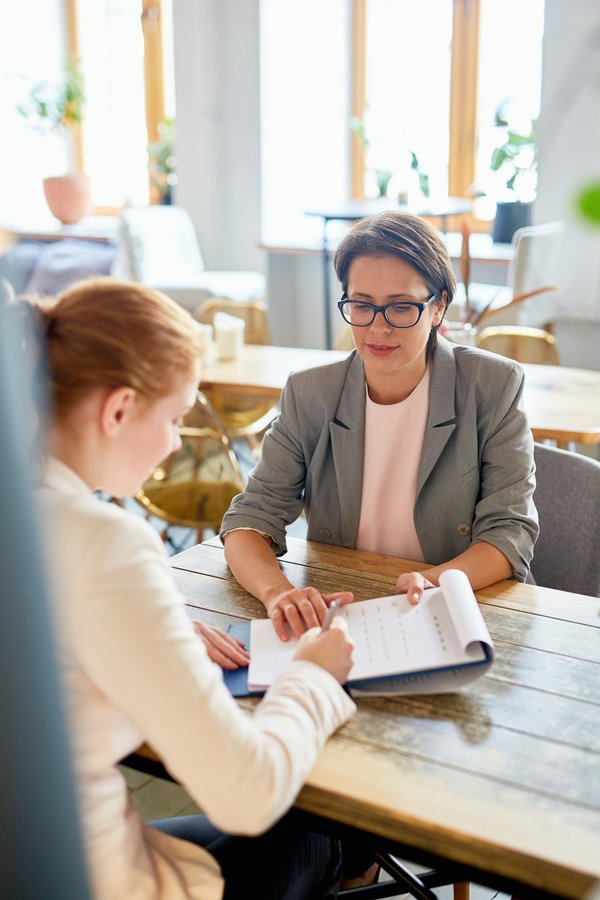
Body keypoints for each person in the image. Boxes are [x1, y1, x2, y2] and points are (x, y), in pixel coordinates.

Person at [30, 277, 357, 900]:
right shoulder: (106, 543)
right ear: (119, 409)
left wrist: (158, 634)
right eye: (176, 417)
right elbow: (247, 795)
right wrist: (312, 676)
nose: (176, 444)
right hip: (91, 876)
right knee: (314, 829)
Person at [221, 211, 539, 642]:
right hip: (347, 606)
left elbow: (509, 532)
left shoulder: (493, 385)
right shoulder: (310, 393)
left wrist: (433, 580)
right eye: (362, 305)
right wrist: (279, 594)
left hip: (462, 609)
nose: (378, 327)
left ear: (439, 306)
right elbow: (249, 520)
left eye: (401, 306)